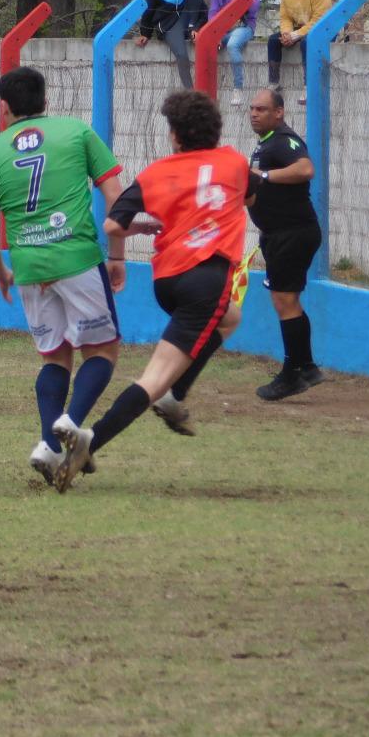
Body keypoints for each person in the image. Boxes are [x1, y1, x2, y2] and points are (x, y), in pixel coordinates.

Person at [51, 90, 252, 493]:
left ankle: (176, 396)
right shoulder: (235, 163)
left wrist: (127, 247)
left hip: (168, 279)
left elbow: (112, 225)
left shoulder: (156, 173)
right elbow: (252, 194)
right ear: (215, 131)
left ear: (175, 136)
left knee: (229, 317)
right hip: (206, 278)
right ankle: (92, 440)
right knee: (155, 377)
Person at [0, 67, 129, 486]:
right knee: (102, 351)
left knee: (55, 357)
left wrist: (4, 273)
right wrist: (117, 255)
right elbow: (116, 194)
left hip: (29, 268)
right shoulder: (77, 132)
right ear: (45, 101)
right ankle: (71, 424)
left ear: (4, 108)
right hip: (77, 258)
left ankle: (48, 445)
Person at [246, 88, 324, 399]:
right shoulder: (265, 144)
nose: (254, 113)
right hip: (279, 234)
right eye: (252, 108)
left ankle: (296, 372)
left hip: (292, 233)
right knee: (285, 301)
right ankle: (304, 367)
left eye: (262, 109)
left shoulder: (285, 140)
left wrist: (262, 176)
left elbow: (306, 169)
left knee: (284, 301)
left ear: (279, 112)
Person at [136, 0, 208, 89]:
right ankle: (191, 93)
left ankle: (192, 30)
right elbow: (149, 11)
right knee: (181, 54)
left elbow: (203, 11)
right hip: (169, 25)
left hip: (187, 22)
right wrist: (145, 33)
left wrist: (197, 28)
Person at [268, 0, 332, 103]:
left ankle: (308, 86)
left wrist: (295, 35)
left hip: (323, 29)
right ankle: (274, 83)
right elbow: (285, 17)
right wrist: (286, 33)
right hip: (300, 28)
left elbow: (318, 21)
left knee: (306, 43)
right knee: (273, 40)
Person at [208, 0, 261, 105]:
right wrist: (215, 33)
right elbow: (213, 12)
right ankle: (208, 91)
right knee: (207, 45)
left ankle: (238, 88)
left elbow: (253, 8)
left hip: (244, 27)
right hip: (224, 29)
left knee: (232, 45)